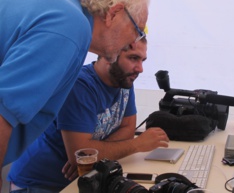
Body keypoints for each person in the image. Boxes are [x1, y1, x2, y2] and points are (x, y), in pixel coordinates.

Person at [0, 0, 150, 189]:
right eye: (137, 31)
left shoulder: (71, 20)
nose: (133, 41)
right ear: (114, 13)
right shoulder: (70, 29)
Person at [7, 39, 169, 193]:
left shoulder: (124, 81)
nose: (140, 68)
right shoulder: (80, 85)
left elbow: (127, 128)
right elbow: (81, 153)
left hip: (79, 179)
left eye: (142, 60)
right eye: (133, 58)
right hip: (39, 183)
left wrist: (93, 155)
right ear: (109, 54)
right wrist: (137, 144)